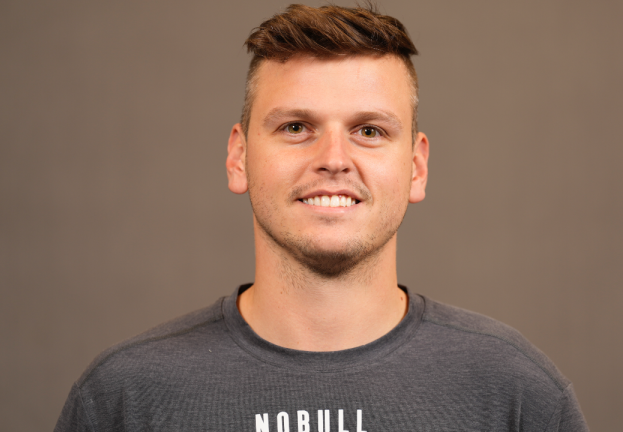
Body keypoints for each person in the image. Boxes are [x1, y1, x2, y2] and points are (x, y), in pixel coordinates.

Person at [55, 4, 588, 431]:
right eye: (295, 127)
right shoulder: (123, 400)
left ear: (417, 167)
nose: (334, 158)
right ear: (239, 157)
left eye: (370, 131)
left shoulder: (515, 395)